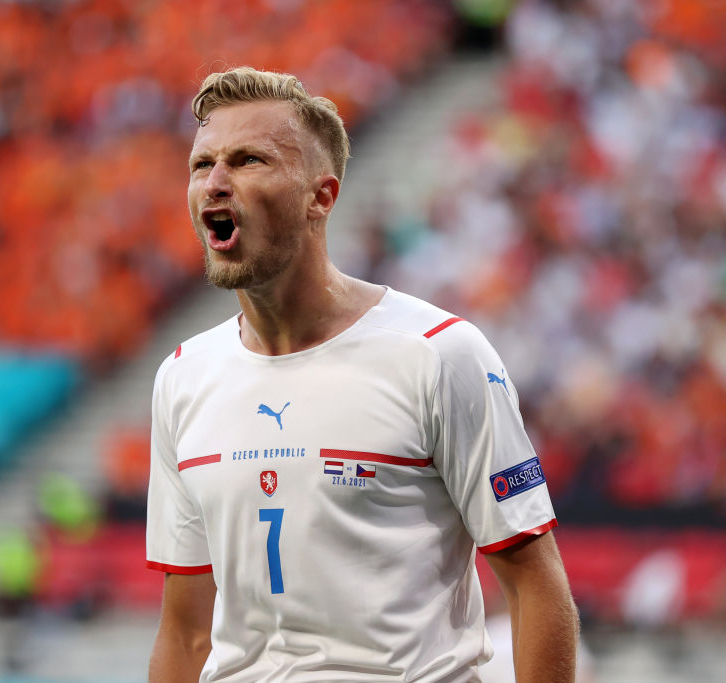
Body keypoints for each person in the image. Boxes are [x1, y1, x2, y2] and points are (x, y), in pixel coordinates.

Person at [145, 67, 578, 682]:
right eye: (201, 164)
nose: (215, 183)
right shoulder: (183, 378)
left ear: (321, 196)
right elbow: (186, 632)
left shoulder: (437, 353)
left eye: (247, 161)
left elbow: (537, 588)